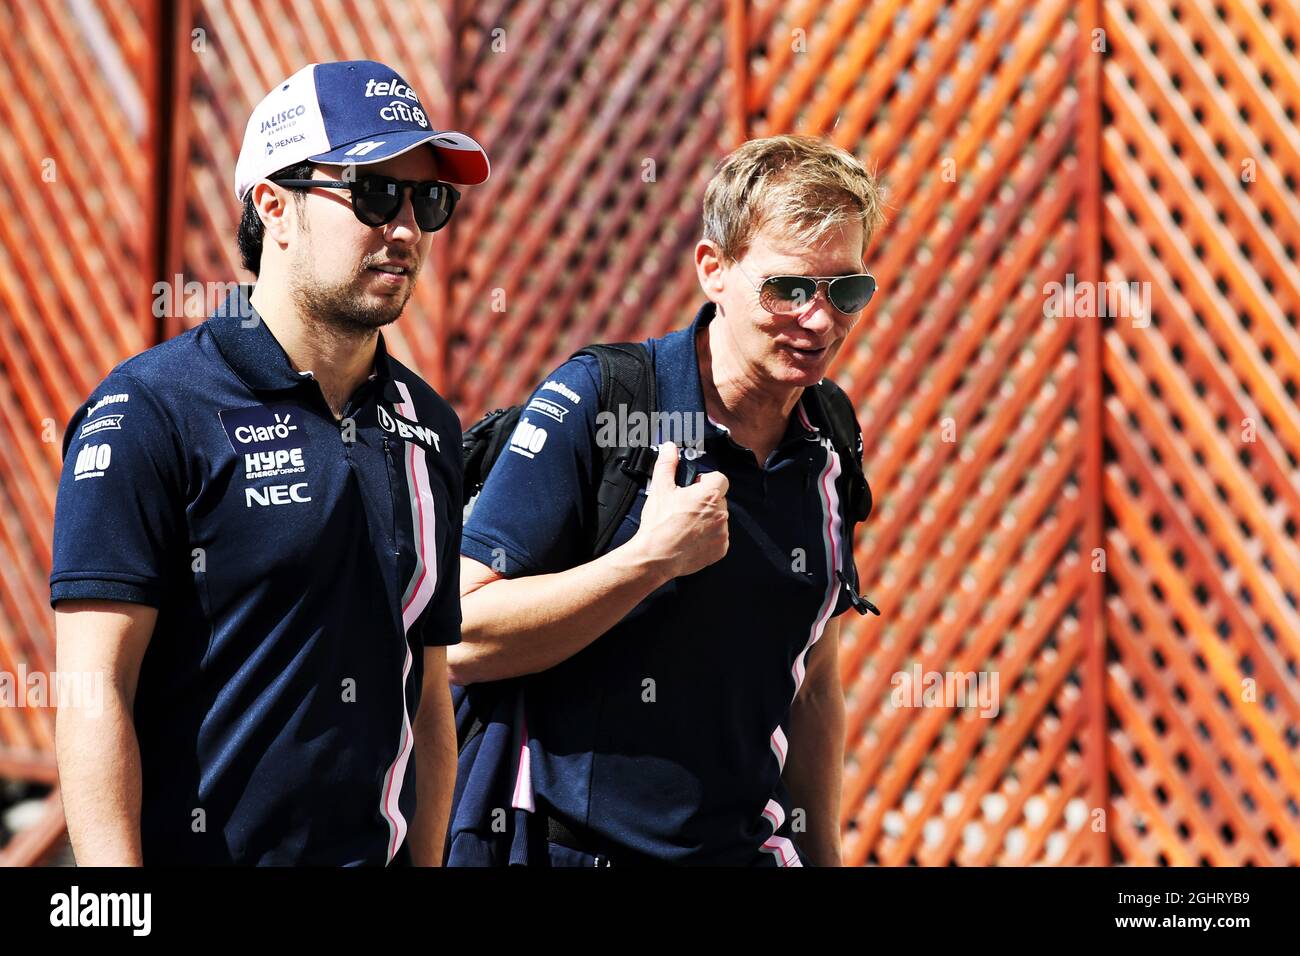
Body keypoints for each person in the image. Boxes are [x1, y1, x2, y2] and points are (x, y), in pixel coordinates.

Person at [50, 59, 489, 865]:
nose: (405, 229)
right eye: (375, 192)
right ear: (273, 206)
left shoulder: (428, 423)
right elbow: (91, 691)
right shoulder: (152, 411)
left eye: (428, 200)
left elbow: (428, 695)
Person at [447, 134, 884, 866]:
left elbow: (813, 683)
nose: (820, 320)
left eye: (847, 291)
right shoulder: (607, 401)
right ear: (713, 269)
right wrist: (647, 562)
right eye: (789, 288)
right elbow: (460, 636)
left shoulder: (829, 435)